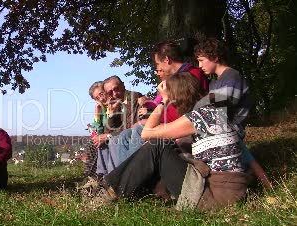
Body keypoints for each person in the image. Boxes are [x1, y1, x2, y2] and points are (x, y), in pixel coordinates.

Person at [98, 72, 253, 210]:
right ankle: (116, 188)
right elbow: (246, 156)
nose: (171, 103)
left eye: (171, 97)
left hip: (215, 196)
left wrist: (162, 101)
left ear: (178, 96)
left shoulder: (202, 116)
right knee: (165, 145)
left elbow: (147, 133)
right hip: (224, 191)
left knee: (157, 144)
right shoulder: (213, 113)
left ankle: (109, 191)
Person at [114, 40, 210, 166]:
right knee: (125, 135)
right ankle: (123, 176)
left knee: (138, 131)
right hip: (169, 123)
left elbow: (184, 110)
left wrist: (154, 120)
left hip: (179, 126)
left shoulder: (191, 76)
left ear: (167, 60)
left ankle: (132, 178)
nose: (158, 68)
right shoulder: (176, 79)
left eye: (158, 63)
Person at [193, 38, 273, 190]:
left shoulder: (232, 77)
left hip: (231, 128)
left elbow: (222, 113)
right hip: (221, 128)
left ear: (215, 57)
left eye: (202, 60)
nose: (200, 65)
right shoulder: (215, 83)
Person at [92, 75, 144, 175]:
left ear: (123, 86)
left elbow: (129, 126)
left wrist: (107, 136)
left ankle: (114, 178)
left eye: (116, 89)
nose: (114, 94)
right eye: (110, 92)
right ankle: (102, 177)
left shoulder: (134, 98)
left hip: (135, 135)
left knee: (112, 141)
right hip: (124, 135)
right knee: (102, 143)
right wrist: (111, 114)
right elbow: (109, 130)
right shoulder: (116, 102)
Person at [83, 81, 109, 180]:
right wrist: (97, 114)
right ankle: (91, 177)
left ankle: (93, 177)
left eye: (101, 94)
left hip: (114, 137)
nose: (101, 98)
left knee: (98, 144)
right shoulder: (102, 109)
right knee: (92, 143)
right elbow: (97, 133)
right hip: (104, 137)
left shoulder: (115, 106)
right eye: (97, 98)